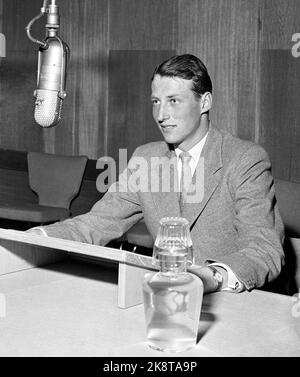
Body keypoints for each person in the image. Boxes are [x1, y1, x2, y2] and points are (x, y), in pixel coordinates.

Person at [28, 54, 285, 294]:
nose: (161, 115)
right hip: (163, 297)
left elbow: (264, 250)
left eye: (174, 101)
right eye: (156, 102)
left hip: (229, 299)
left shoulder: (245, 159)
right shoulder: (145, 158)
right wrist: (34, 238)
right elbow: (95, 223)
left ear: (205, 102)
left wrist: (211, 276)